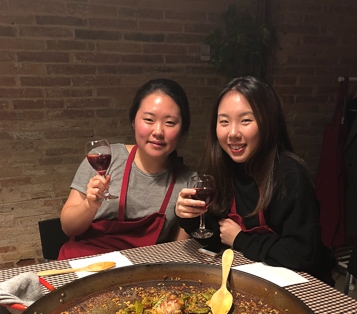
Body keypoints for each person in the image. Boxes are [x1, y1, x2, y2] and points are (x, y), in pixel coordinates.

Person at [176, 76, 336, 284]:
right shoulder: (225, 169)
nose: (233, 133)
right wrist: (188, 216)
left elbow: (303, 253)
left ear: (268, 123)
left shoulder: (289, 174)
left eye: (246, 121)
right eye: (224, 121)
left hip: (304, 286)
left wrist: (241, 239)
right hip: (255, 279)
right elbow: (218, 237)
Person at [58, 78, 194, 259]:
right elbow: (68, 228)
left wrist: (190, 219)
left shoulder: (188, 181)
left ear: (182, 129)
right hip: (85, 264)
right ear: (133, 121)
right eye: (148, 120)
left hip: (140, 272)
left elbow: (176, 251)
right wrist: (89, 204)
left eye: (169, 122)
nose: (158, 131)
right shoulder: (103, 159)